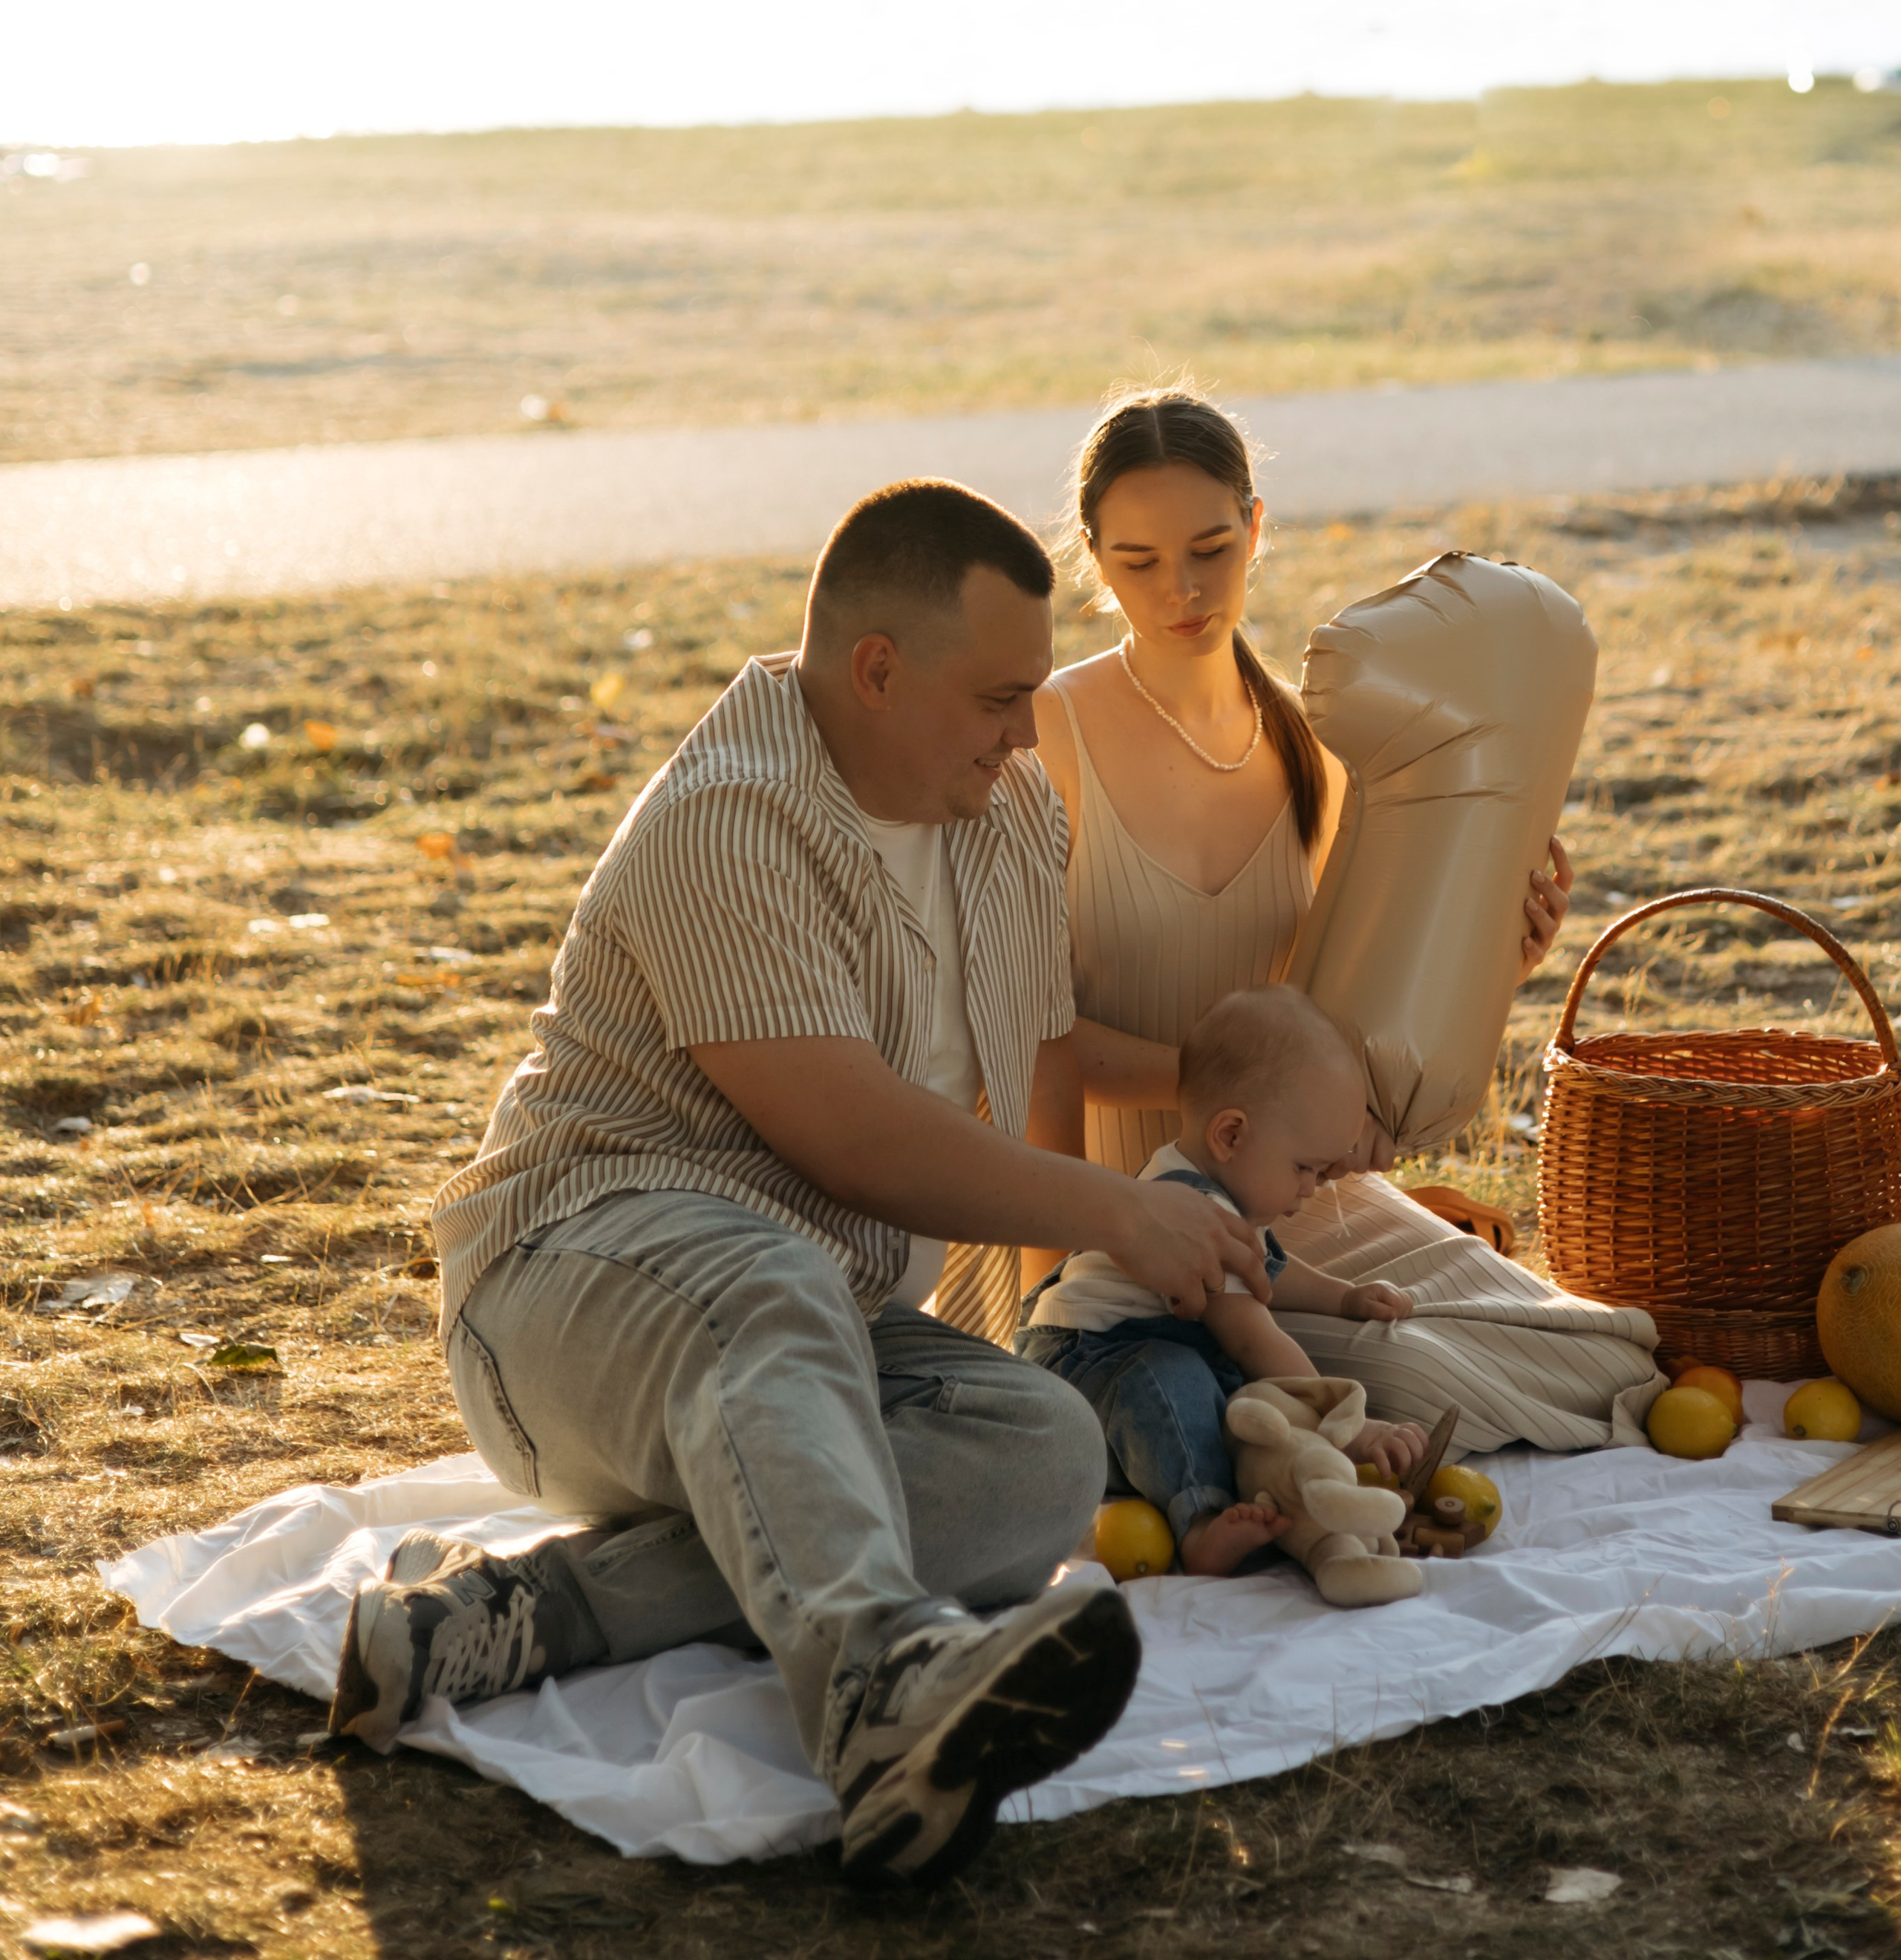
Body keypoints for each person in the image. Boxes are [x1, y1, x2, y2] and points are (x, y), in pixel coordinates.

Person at [328, 479, 1280, 1889]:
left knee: (1040, 1454)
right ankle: (879, 1693)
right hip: (564, 1292)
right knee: (766, 1273)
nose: (1030, 730)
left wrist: (1035, 1319)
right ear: (878, 671)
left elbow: (1025, 1095)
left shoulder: (1010, 815)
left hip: (807, 1325)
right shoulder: (731, 818)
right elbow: (856, 1138)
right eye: (999, 696)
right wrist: (1119, 1208)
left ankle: (530, 1614)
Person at [1029, 386, 1665, 1453]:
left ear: (1258, 527)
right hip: (1113, 1211)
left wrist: (1495, 958)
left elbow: (1352, 1014)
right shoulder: (1050, 731)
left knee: (1605, 1354)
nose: (1181, 589)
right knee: (1417, 1374)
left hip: (1290, 1196)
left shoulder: (1322, 743)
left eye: (1212, 547)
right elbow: (1033, 1040)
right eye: (1137, 562)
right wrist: (1046, 1253)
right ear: (1092, 555)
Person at [1017, 986, 1426, 1574]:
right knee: (1179, 1377)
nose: (1314, 1187)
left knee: (1243, 1401)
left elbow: (1266, 1276)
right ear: (1231, 1135)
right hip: (1085, 1368)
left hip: (1133, 1361)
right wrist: (1348, 1424)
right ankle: (1201, 1524)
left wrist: (1344, 1296)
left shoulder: (1226, 1199)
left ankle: (1296, 1494)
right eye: (1304, 1168)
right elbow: (1251, 1335)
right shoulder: (1185, 1204)